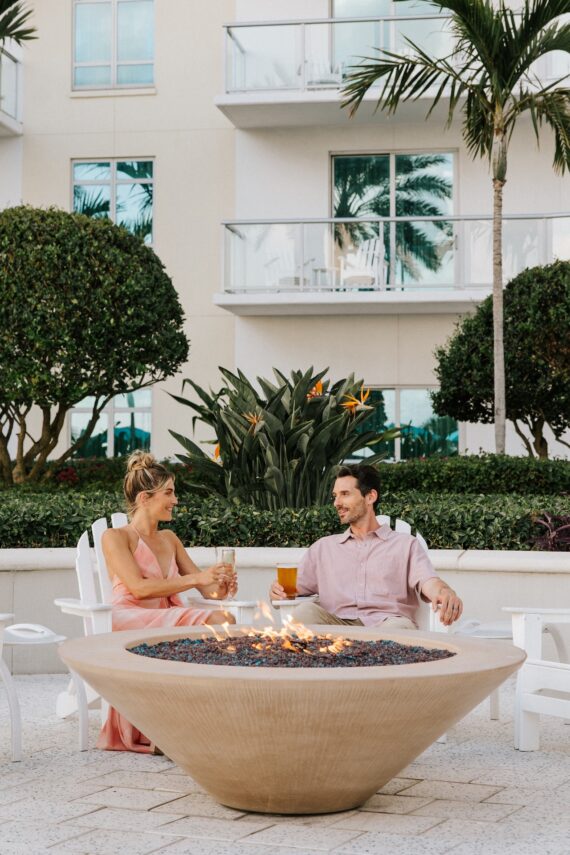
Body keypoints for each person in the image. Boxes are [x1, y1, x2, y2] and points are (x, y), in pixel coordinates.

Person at [97, 451, 237, 752]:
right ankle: (170, 725)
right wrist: (197, 578)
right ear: (145, 498)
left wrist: (222, 586)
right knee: (209, 626)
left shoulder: (170, 538)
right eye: (169, 493)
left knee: (225, 621)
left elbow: (208, 591)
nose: (176, 500)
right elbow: (138, 589)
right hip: (129, 616)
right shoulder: (115, 537)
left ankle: (198, 716)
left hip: (167, 614)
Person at [270, 463, 462, 630]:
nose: (337, 503)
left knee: (398, 627)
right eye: (335, 496)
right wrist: (276, 591)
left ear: (370, 497)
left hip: (387, 626)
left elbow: (429, 582)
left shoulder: (405, 545)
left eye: (345, 494)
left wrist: (445, 592)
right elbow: (290, 589)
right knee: (304, 612)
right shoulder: (324, 548)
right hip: (336, 628)